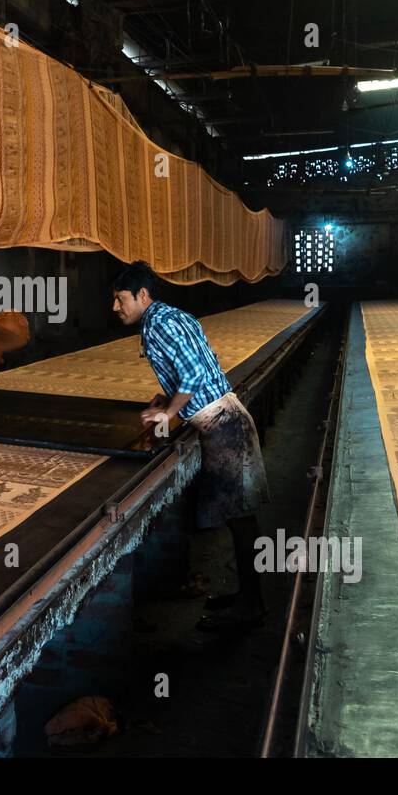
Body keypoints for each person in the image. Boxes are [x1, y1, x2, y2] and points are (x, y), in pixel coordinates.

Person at [111, 261, 269, 633]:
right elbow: (191, 369)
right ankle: (246, 596)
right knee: (239, 518)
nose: (115, 307)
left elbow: (195, 376)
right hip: (226, 418)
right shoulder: (170, 317)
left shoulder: (159, 324)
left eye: (120, 299)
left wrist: (170, 412)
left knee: (242, 521)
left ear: (142, 295)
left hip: (224, 426)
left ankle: (251, 605)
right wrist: (162, 401)